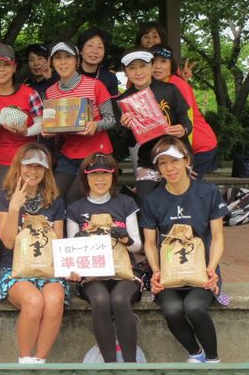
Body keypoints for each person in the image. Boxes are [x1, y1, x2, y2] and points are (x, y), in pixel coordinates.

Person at [141, 137, 227, 364]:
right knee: (172, 309)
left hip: (202, 271)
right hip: (168, 273)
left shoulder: (208, 192)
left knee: (194, 307)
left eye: (175, 161)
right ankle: (195, 353)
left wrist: (212, 269)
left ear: (187, 160)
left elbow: (217, 237)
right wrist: (156, 271)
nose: (169, 168)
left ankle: (213, 359)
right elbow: (149, 243)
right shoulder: (152, 200)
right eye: (163, 163)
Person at [0, 143, 66, 364]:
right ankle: (24, 361)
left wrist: (69, 267)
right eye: (28, 165)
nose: (33, 171)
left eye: (39, 167)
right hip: (14, 268)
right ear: (19, 166)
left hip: (48, 268)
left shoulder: (55, 200)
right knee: (34, 301)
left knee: (54, 299)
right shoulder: (3, 197)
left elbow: (58, 242)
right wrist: (14, 208)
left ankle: (40, 361)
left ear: (46, 171)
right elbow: (8, 242)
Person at [66, 153, 142, 363]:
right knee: (100, 299)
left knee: (119, 299)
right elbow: (71, 250)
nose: (100, 179)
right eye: (94, 174)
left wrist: (125, 238)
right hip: (92, 275)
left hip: (124, 271)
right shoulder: (75, 208)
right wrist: (73, 268)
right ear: (85, 177)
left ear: (113, 176)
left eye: (105, 174)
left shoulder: (126, 203)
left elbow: (137, 245)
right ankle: (110, 366)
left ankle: (130, 366)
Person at [117, 49, 192, 206]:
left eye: (143, 66)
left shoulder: (170, 89)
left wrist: (183, 130)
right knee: (145, 200)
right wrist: (128, 128)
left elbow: (187, 122)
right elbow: (129, 142)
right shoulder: (124, 100)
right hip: (148, 160)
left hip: (176, 156)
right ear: (125, 72)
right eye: (132, 68)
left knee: (180, 200)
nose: (138, 72)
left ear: (152, 66)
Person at [43, 40, 115, 205]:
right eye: (58, 58)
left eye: (68, 57)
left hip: (96, 154)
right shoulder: (50, 92)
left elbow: (111, 119)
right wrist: (49, 131)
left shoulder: (95, 85)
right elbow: (56, 126)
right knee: (55, 198)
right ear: (51, 62)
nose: (63, 62)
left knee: (74, 199)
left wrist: (96, 125)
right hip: (69, 154)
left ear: (77, 61)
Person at [0, 44, 43, 204]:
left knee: (25, 211)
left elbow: (42, 123)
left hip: (27, 163)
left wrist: (25, 132)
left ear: (14, 67)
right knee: (0, 210)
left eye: (6, 65)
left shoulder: (29, 93)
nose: (1, 70)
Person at [151, 44, 218, 178]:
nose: (157, 66)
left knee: (189, 187)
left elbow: (188, 119)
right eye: (153, 62)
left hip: (198, 147)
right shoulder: (154, 86)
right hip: (177, 148)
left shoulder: (178, 85)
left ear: (172, 65)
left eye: (163, 61)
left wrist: (188, 157)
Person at [77, 29, 119, 98]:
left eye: (100, 47)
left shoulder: (110, 78)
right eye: (90, 45)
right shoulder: (67, 75)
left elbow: (113, 104)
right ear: (80, 50)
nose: (95, 51)